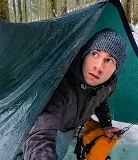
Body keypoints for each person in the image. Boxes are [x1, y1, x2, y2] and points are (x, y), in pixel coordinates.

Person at [24, 28, 127, 160]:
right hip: (54, 125)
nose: (98, 67)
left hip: (70, 127)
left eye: (109, 60)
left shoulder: (109, 83)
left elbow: (101, 100)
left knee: (60, 152)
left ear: (115, 70)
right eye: (95, 54)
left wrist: (106, 125)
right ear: (85, 54)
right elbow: (39, 135)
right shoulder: (62, 82)